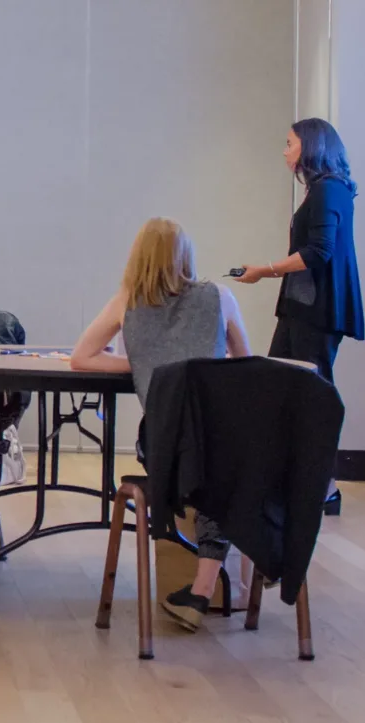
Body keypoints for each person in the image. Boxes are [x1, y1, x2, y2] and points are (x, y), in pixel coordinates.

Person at [69, 217, 251, 631]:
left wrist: (146, 365)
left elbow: (82, 357)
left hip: (162, 443)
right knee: (223, 473)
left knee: (205, 472)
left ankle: (202, 592)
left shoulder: (128, 301)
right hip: (219, 435)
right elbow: (247, 367)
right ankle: (207, 587)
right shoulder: (219, 297)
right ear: (186, 255)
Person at [234, 117, 359, 511]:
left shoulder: (328, 191)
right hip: (301, 309)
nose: (285, 151)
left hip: (315, 312)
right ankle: (304, 482)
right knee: (286, 392)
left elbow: (319, 252)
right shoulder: (322, 191)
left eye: (289, 143)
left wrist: (264, 270)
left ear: (309, 146)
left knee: (309, 396)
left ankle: (322, 487)